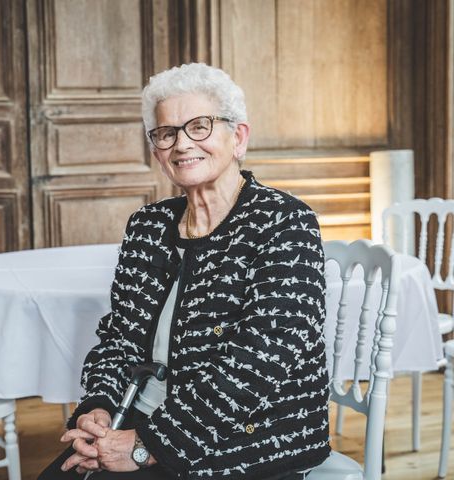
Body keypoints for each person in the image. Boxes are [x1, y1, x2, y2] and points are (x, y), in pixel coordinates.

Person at [39, 63, 330, 480]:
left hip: (247, 440)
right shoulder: (148, 226)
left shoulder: (284, 222)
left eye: (199, 126)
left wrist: (146, 447)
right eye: (166, 133)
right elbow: (119, 336)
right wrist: (98, 409)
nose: (181, 144)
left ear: (239, 138)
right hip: (140, 417)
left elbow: (258, 362)